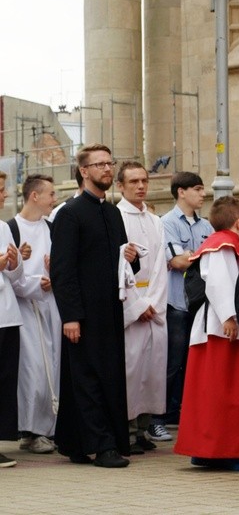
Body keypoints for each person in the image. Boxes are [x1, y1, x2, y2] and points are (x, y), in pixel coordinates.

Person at [50, 143, 139, 468]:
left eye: (109, 163)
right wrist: (71, 315)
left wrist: (132, 257)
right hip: (84, 313)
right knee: (87, 377)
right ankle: (101, 446)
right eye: (99, 164)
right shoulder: (70, 213)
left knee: (108, 375)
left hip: (111, 311)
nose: (107, 169)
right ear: (84, 171)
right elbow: (61, 269)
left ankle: (78, 441)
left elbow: (126, 264)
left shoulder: (112, 212)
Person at [174, 196, 239, 471]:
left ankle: (206, 449)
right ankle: (227, 451)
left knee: (208, 392)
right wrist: (229, 317)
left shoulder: (218, 243)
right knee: (225, 393)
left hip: (214, 325)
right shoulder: (222, 246)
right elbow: (220, 283)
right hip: (221, 329)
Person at [149, 172, 213, 442]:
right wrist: (197, 256)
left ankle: (177, 411)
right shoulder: (167, 223)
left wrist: (193, 256)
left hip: (199, 303)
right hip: (176, 302)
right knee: (172, 362)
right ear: (181, 192)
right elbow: (177, 261)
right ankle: (156, 418)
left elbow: (204, 257)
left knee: (191, 361)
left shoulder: (205, 226)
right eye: (197, 189)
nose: (203, 194)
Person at [115, 162, 168, 455]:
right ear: (121, 186)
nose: (140, 186)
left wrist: (154, 302)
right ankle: (128, 427)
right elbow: (120, 265)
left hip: (154, 299)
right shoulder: (116, 217)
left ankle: (145, 427)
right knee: (131, 367)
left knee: (153, 367)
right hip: (131, 299)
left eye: (144, 181)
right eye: (133, 181)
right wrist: (137, 306)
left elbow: (160, 263)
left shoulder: (155, 220)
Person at [11, 175, 61, 455]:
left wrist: (54, 276)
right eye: (50, 194)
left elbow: (61, 264)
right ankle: (30, 429)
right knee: (32, 369)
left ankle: (48, 428)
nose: (54, 199)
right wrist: (32, 281)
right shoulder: (13, 228)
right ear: (34, 196)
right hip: (23, 309)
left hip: (50, 304)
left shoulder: (52, 228)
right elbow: (10, 273)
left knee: (51, 366)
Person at [0, 170, 24, 468]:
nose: (4, 194)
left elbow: (14, 275)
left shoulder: (4, 227)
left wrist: (16, 263)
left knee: (5, 379)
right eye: (1, 189)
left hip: (7, 313)